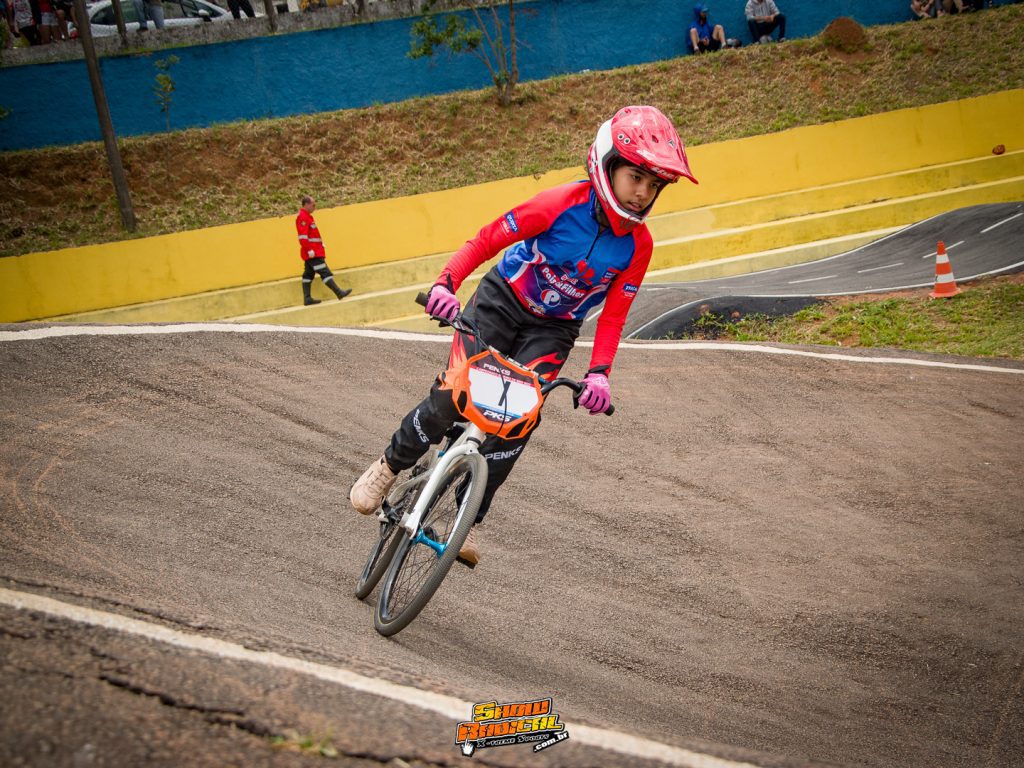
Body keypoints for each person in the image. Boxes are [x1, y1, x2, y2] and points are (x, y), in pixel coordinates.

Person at [348, 105, 698, 566]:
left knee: (519, 421)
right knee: (454, 395)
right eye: (636, 178)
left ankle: (467, 520)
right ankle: (389, 466)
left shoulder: (639, 246)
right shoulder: (559, 204)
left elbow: (614, 316)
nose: (643, 193)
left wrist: (599, 374)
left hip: (554, 330)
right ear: (607, 164)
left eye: (654, 185)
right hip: (502, 301)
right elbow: (486, 240)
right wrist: (445, 285)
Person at [296, 195, 352, 306]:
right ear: (306, 204)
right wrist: (309, 250)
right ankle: (339, 293)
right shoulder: (303, 217)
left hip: (315, 251)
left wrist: (320, 244)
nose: (315, 207)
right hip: (313, 253)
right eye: (313, 205)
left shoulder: (307, 217)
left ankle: (307, 298)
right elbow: (303, 237)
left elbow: (312, 235)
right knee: (325, 272)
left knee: (308, 275)